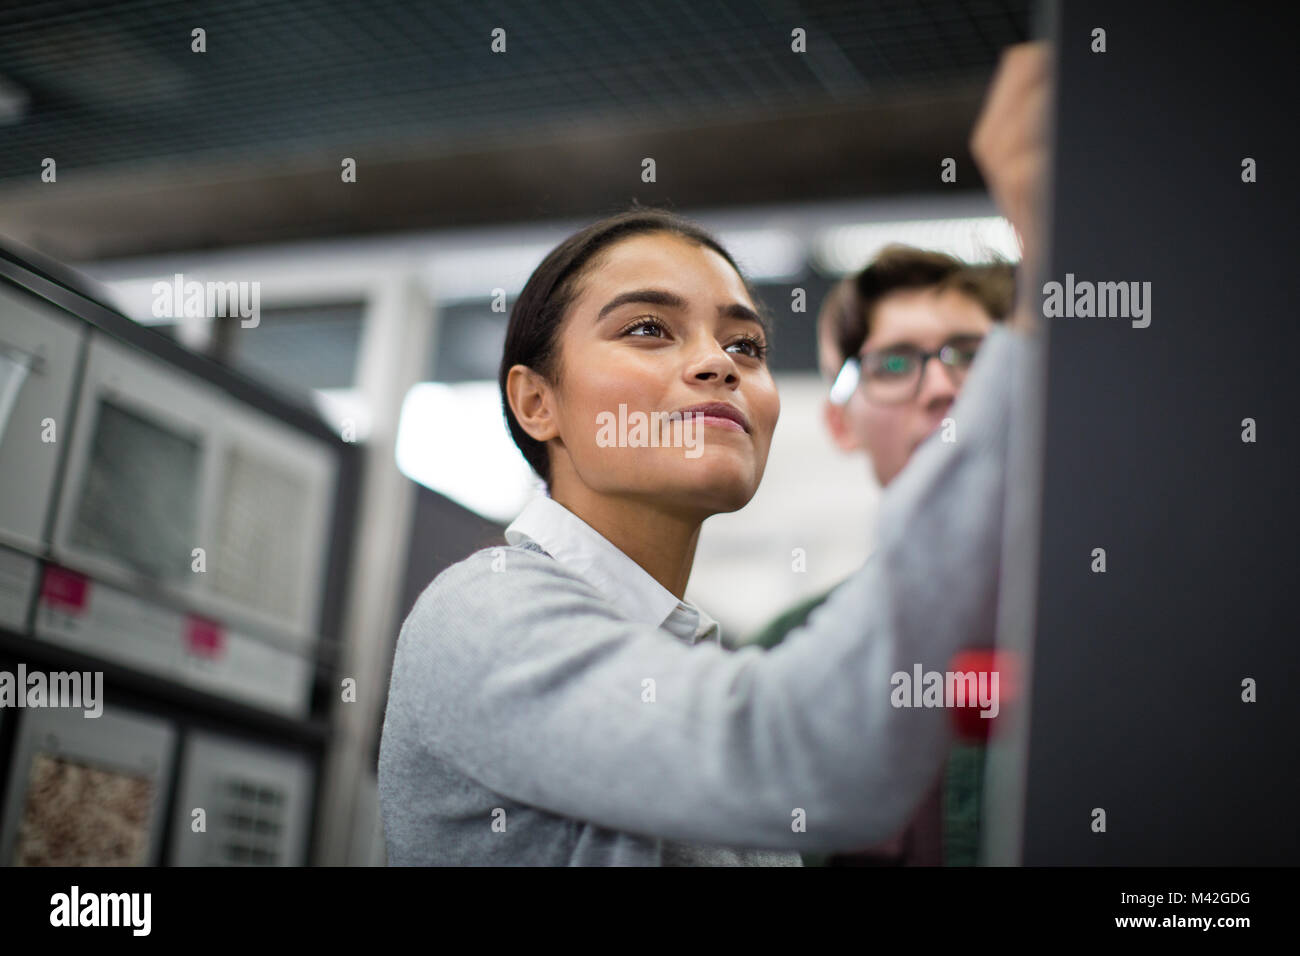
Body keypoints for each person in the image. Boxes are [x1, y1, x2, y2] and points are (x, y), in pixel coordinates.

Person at [378, 41, 1050, 865]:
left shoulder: (693, 659)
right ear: (535, 402)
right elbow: (806, 757)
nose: (719, 362)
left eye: (747, 344)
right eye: (648, 328)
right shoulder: (480, 612)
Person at [746, 247, 1015, 867]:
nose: (942, 388)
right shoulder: (785, 658)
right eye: (893, 364)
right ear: (842, 424)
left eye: (972, 356)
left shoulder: (1126, 628)